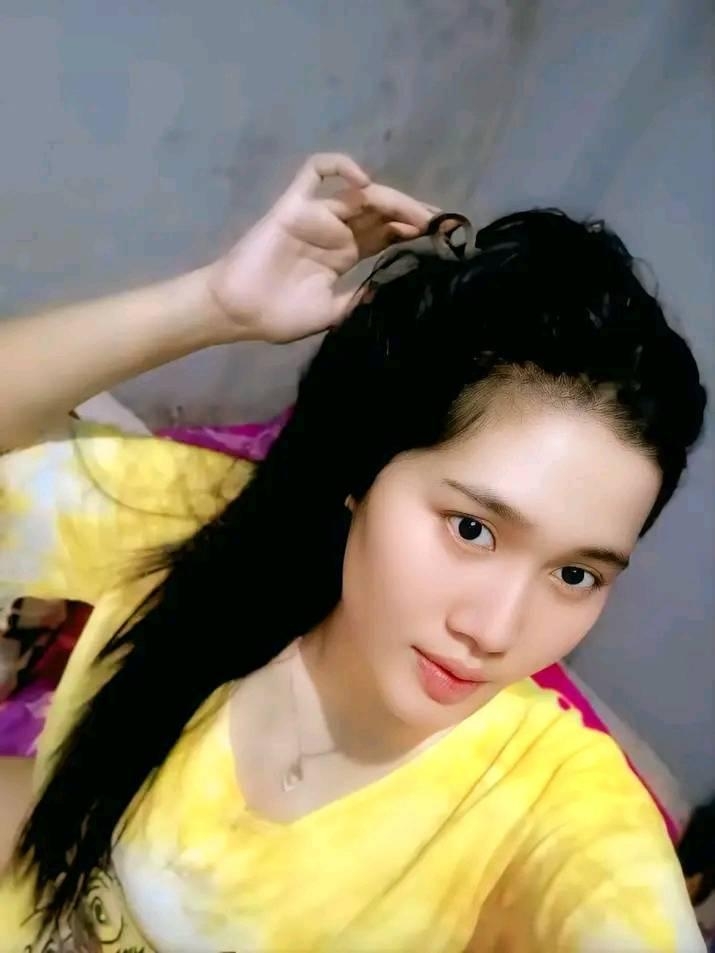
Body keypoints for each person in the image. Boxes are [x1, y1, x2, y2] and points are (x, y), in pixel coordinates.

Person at [0, 153, 707, 952]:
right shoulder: (204, 532)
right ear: (362, 470)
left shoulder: (545, 799)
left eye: (574, 574)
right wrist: (209, 305)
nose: (495, 629)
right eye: (471, 529)